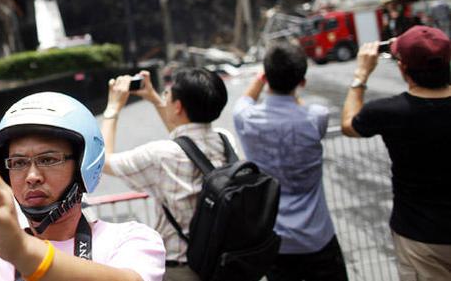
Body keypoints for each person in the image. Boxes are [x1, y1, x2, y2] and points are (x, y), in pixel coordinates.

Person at [0, 91, 166, 281]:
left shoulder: (132, 239)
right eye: (18, 163)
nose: (32, 176)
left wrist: (22, 251)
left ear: (84, 165)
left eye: (48, 160)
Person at [341, 26, 451, 280]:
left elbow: (348, 124)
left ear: (403, 68)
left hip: (420, 238)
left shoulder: (389, 112)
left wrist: (361, 74)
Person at [100, 67, 229, 281]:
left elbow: (103, 161)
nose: (164, 96)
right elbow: (187, 140)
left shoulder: (160, 155)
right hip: (222, 262)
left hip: (183, 268)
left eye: (167, 94)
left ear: (178, 106)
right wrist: (154, 98)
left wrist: (113, 107)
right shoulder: (225, 141)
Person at [233, 42, 348, 281]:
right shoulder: (317, 117)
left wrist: (262, 78)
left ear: (266, 77)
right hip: (318, 237)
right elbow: (303, 110)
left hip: (276, 241)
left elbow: (245, 100)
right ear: (302, 81)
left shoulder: (246, 119)